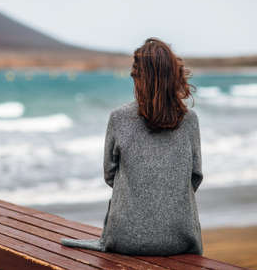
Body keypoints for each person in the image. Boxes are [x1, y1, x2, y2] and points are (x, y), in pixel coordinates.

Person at [60, 37, 204, 256]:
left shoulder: (118, 118)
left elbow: (109, 175)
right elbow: (196, 176)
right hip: (181, 240)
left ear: (137, 77)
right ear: (174, 75)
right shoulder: (190, 120)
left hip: (124, 240)